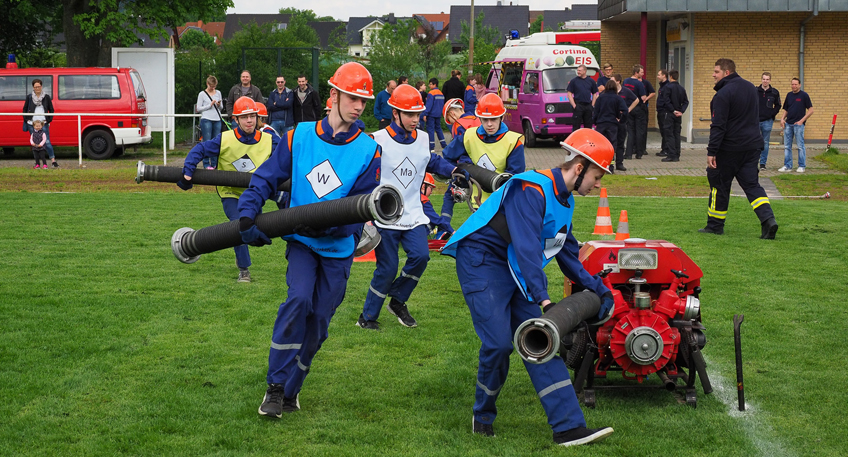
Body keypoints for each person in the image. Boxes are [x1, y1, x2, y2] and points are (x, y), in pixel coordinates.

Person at [441, 128, 615, 447]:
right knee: (498, 345)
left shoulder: (565, 202)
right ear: (579, 168)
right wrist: (545, 301)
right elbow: (526, 249)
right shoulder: (532, 188)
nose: (598, 183)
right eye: (597, 176)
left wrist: (600, 289)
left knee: (541, 340)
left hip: (512, 265)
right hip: (481, 261)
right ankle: (482, 415)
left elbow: (567, 253)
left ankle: (568, 427)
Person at [237, 62, 382, 418]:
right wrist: (246, 216)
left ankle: (292, 390)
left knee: (318, 322)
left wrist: (330, 226)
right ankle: (274, 388)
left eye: (364, 100)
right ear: (333, 95)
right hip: (302, 243)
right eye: (353, 97)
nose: (359, 106)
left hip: (339, 249)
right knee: (298, 301)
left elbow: (361, 209)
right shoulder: (297, 136)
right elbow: (264, 178)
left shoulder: (369, 150)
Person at [358, 84, 465, 330]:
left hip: (414, 215)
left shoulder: (424, 139)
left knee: (421, 257)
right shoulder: (377, 140)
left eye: (418, 114)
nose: (416, 119)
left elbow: (434, 162)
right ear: (395, 113)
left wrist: (455, 171)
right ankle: (367, 317)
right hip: (383, 216)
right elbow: (363, 176)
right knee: (387, 268)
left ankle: (397, 300)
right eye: (410, 114)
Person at [178, 97, 274, 282]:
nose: (249, 121)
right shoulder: (225, 138)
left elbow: (289, 157)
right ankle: (244, 270)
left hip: (254, 195)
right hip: (229, 193)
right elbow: (200, 150)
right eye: (244, 117)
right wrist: (188, 170)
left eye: (252, 116)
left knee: (254, 229)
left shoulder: (269, 140)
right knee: (239, 224)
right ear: (236, 120)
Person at [701, 58, 777, 240]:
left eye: (716, 72)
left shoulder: (723, 94)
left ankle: (715, 226)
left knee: (719, 185)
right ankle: (768, 220)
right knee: (752, 185)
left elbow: (718, 126)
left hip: (729, 148)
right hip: (752, 146)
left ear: (726, 73)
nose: (713, 75)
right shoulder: (751, 88)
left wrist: (712, 151)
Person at [442, 93, 526, 204]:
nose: (489, 124)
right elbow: (447, 156)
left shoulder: (514, 141)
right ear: (479, 118)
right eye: (485, 119)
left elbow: (514, 178)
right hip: (477, 202)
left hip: (504, 203)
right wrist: (459, 176)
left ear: (502, 117)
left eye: (493, 119)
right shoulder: (469, 136)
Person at [441, 98, 481, 224]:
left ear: (451, 114)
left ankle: (443, 226)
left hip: (467, 167)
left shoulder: (459, 124)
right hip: (484, 167)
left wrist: (453, 171)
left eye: (449, 119)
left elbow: (456, 149)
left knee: (449, 195)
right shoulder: (478, 120)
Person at [779, 78, 814, 173]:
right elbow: (786, 109)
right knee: (787, 146)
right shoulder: (789, 95)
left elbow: (811, 110)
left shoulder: (804, 95)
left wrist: (801, 121)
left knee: (800, 146)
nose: (794, 86)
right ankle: (787, 166)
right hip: (788, 124)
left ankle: (801, 166)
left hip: (798, 125)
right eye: (792, 84)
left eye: (795, 84)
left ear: (799, 85)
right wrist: (782, 119)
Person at [592, 80, 628, 173]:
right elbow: (625, 111)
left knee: (600, 146)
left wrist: (595, 122)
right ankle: (610, 167)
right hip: (612, 125)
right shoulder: (618, 98)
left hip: (601, 124)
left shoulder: (601, 98)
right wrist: (621, 120)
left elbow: (596, 112)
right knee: (611, 147)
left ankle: (600, 165)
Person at [22, 79, 57, 167]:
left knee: (47, 142)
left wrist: (48, 120)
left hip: (43, 123)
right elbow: (24, 109)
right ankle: (37, 163)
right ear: (33, 87)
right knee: (34, 143)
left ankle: (53, 161)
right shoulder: (29, 97)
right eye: (35, 87)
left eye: (39, 86)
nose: (37, 88)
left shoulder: (46, 97)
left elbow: (51, 109)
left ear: (41, 86)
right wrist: (27, 120)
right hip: (32, 124)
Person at [658, 70, 689, 163]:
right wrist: (681, 111)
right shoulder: (681, 88)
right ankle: (677, 154)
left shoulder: (667, 87)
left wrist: (672, 110)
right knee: (676, 134)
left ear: (670, 76)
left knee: (669, 134)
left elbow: (666, 101)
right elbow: (686, 101)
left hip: (670, 113)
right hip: (678, 115)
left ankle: (671, 154)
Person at [196, 75, 224, 169]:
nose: (213, 88)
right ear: (207, 84)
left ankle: (215, 163)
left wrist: (219, 105)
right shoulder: (202, 94)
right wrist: (210, 105)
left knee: (216, 142)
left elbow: (221, 108)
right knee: (207, 141)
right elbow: (198, 108)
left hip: (217, 119)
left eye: (214, 86)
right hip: (206, 119)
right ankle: (206, 163)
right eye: (211, 86)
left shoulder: (218, 93)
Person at [612, 74, 638, 172]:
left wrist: (628, 109)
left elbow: (636, 100)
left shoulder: (626, 91)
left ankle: (619, 163)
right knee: (612, 143)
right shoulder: (610, 92)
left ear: (618, 81)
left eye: (612, 80)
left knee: (620, 143)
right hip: (612, 121)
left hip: (622, 121)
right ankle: (611, 163)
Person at [756, 72, 781, 171]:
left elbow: (778, 105)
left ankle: (762, 164)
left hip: (767, 121)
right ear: (761, 79)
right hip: (756, 121)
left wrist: (772, 114)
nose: (765, 81)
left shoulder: (774, 92)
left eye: (767, 79)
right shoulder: (755, 91)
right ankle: (754, 162)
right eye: (764, 79)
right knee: (755, 142)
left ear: (770, 80)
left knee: (765, 142)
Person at [622, 66, 647, 160]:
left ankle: (628, 154)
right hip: (638, 109)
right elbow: (643, 97)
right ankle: (639, 153)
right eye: (641, 72)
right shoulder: (639, 83)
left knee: (630, 131)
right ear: (636, 73)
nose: (643, 74)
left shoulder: (626, 81)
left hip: (628, 108)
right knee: (639, 131)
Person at [420, 173, 454, 239]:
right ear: (423, 186)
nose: (431, 192)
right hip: (410, 232)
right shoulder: (423, 200)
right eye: (431, 188)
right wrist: (452, 231)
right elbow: (436, 220)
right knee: (431, 222)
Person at [567, 64, 598, 130]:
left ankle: (587, 140)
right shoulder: (574, 81)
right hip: (578, 106)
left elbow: (595, 94)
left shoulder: (591, 81)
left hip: (588, 106)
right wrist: (574, 105)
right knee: (576, 126)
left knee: (588, 127)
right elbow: (569, 94)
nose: (578, 72)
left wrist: (592, 105)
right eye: (577, 70)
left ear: (585, 71)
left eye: (580, 70)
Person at [424, 78, 447, 152]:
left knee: (430, 130)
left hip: (431, 114)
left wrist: (425, 114)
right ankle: (443, 144)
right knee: (438, 129)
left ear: (434, 84)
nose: (429, 85)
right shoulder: (441, 93)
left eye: (430, 84)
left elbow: (429, 105)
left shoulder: (431, 93)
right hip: (438, 114)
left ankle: (431, 147)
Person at [637, 67, 656, 157]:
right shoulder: (632, 82)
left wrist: (646, 99)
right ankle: (634, 147)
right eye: (641, 72)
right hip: (634, 107)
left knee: (643, 128)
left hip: (643, 107)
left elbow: (653, 92)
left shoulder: (646, 83)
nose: (643, 73)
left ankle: (642, 148)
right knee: (633, 128)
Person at [655, 70, 670, 157]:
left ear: (664, 76)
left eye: (659, 75)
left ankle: (666, 149)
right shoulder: (662, 86)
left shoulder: (666, 86)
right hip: (660, 111)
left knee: (665, 131)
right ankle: (664, 148)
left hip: (664, 111)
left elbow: (666, 99)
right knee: (662, 131)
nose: (657, 76)